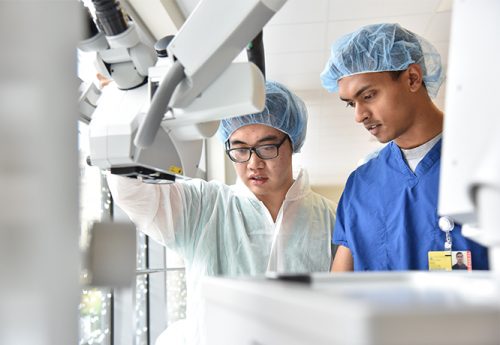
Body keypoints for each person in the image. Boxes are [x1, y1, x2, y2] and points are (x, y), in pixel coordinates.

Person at [107, 80, 336, 344]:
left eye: (266, 147)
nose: (254, 163)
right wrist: (129, 100)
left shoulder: (331, 219)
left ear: (292, 143)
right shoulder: (202, 205)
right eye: (240, 149)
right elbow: (131, 191)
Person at [320, 23, 488, 271]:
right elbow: (339, 282)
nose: (359, 115)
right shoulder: (361, 184)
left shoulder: (485, 162)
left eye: (368, 96)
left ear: (412, 78)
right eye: (350, 104)